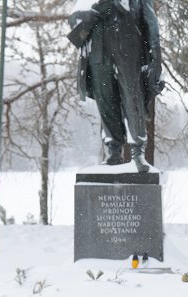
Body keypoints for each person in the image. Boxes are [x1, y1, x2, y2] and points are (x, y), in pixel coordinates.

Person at [67, 0, 164, 173]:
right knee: (105, 103)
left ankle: (137, 151)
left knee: (133, 100)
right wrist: (89, 15)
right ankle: (113, 151)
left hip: (129, 53)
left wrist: (155, 58)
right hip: (98, 54)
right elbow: (74, 18)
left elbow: (151, 25)